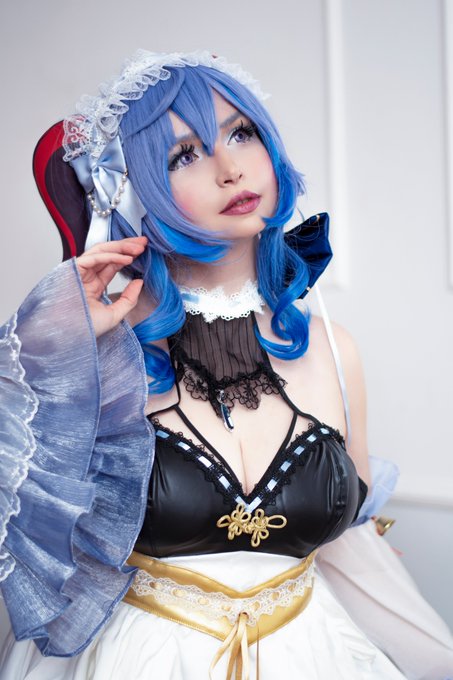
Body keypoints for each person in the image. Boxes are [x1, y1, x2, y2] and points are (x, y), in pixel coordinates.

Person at [0, 50, 452, 680]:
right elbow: (22, 531)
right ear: (134, 190)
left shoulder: (334, 349)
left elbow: (349, 548)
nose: (231, 168)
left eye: (242, 134)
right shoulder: (88, 355)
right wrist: (46, 354)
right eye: (184, 155)